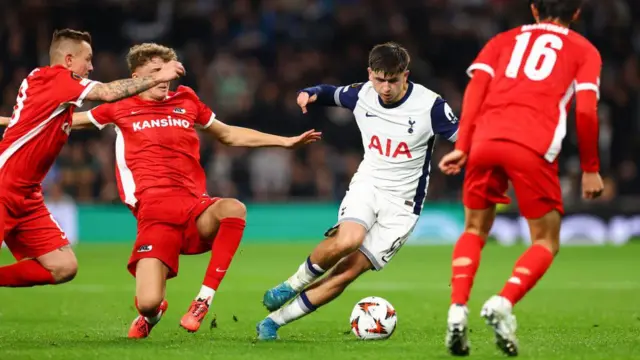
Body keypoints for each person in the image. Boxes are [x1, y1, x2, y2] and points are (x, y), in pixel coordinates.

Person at [64, 43, 321, 338]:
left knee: (233, 208)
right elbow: (69, 122)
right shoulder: (118, 107)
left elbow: (227, 134)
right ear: (136, 77)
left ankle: (202, 301)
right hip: (154, 217)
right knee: (147, 303)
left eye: (167, 71)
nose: (164, 78)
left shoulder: (186, 101)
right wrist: (13, 123)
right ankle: (153, 314)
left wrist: (285, 142)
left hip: (193, 208)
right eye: (155, 72)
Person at [256, 42, 459, 340]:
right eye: (379, 79)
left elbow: (466, 138)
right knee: (349, 238)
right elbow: (329, 93)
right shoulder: (362, 93)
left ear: (406, 75)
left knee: (348, 271)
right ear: (370, 74)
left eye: (393, 80)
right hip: (369, 184)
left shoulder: (432, 106)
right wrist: (309, 92)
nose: (385, 88)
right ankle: (292, 283)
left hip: (403, 205)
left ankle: (273, 322)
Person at [438, 0, 604, 356]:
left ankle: (457, 308)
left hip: (484, 141)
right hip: (532, 146)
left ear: (533, 9)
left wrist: (463, 145)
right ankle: (503, 302)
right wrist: (590, 168)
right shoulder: (585, 50)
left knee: (473, 230)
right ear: (576, 13)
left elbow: (475, 92)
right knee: (545, 241)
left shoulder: (502, 40)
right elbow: (587, 110)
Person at [0, 29, 184, 289]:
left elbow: (37, 119)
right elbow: (108, 92)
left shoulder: (50, 89)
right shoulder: (56, 80)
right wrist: (159, 77)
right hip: (3, 186)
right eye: (87, 59)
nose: (91, 66)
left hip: (26, 196)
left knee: (63, 266)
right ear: (68, 61)